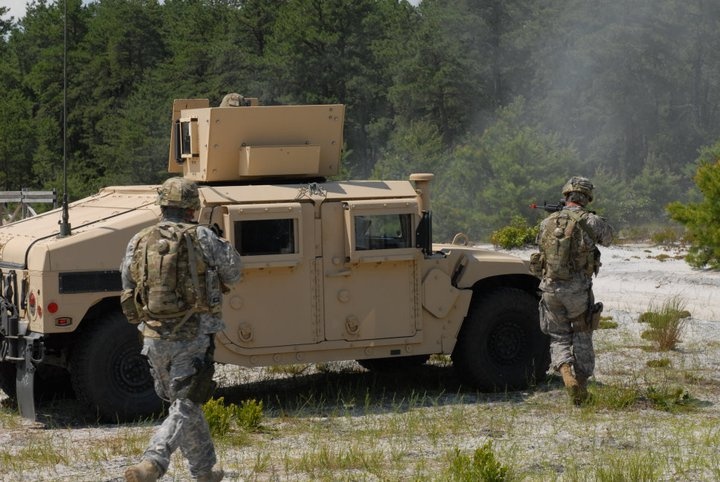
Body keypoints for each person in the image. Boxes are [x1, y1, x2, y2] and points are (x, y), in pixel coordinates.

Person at [121, 177, 242, 482]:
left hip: (153, 335)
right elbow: (234, 272)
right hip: (194, 334)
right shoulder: (202, 237)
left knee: (182, 404)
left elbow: (127, 282)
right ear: (192, 208)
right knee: (187, 403)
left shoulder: (139, 239)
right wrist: (220, 242)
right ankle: (153, 462)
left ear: (162, 205)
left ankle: (204, 471)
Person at [535, 176, 613, 405]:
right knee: (582, 332)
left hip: (550, 288)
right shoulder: (589, 220)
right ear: (587, 197)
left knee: (558, 337)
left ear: (566, 194)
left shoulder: (547, 222)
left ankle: (565, 372)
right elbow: (609, 238)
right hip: (577, 290)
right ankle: (581, 382)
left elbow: (541, 249)